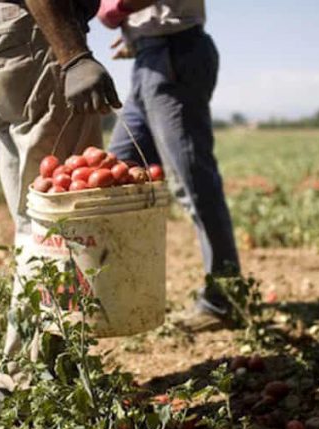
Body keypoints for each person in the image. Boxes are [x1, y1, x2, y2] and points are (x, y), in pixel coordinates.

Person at [0, 0, 122, 414]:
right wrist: (74, 55)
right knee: (60, 225)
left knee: (36, 223)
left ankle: (45, 373)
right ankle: (23, 386)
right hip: (35, 33)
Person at [97, 0, 241, 332]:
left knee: (193, 182)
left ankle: (224, 298)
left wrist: (116, 9)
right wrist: (136, 32)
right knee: (117, 172)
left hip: (175, 53)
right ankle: (121, 292)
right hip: (151, 56)